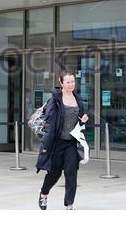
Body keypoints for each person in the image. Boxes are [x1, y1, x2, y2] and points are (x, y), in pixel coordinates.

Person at [36, 71, 89, 210]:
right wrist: (47, 142)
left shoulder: (78, 98)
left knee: (71, 173)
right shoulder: (55, 98)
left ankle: (69, 204)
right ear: (61, 83)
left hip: (71, 142)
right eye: (68, 82)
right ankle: (44, 194)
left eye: (73, 81)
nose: (71, 84)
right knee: (54, 173)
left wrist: (83, 120)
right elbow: (49, 120)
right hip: (56, 142)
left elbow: (80, 121)